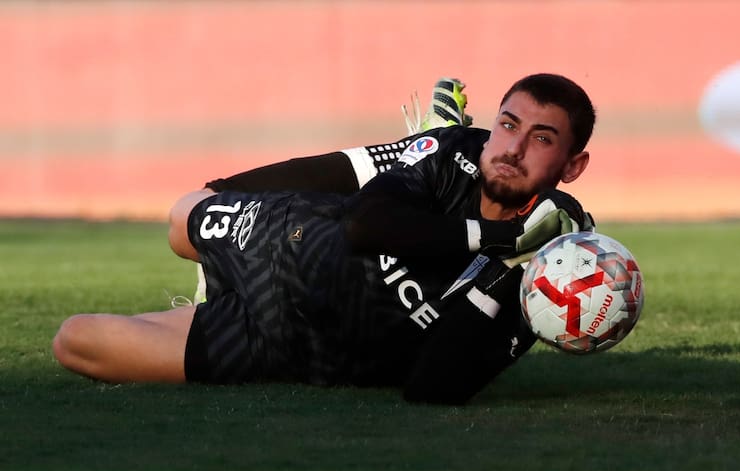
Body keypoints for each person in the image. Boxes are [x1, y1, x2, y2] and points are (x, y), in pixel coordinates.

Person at [52, 73, 596, 405]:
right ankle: (408, 152)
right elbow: (363, 226)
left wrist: (506, 270)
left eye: (541, 138)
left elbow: (431, 388)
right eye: (507, 125)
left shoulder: (554, 262)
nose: (513, 147)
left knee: (75, 342)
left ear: (573, 166)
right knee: (182, 216)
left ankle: (402, 158)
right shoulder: (458, 153)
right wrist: (497, 237)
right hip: (287, 237)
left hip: (286, 346)